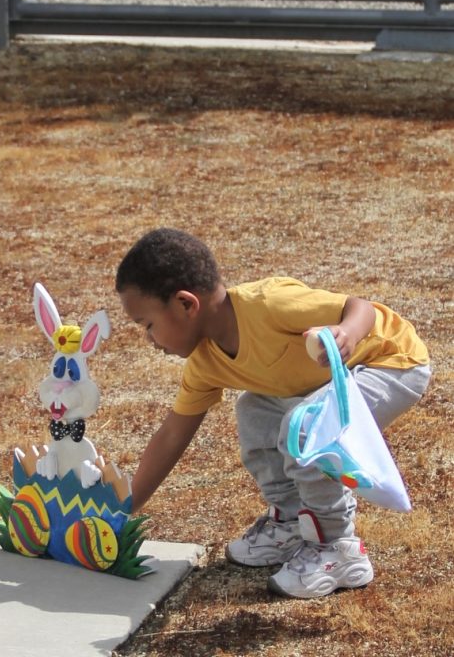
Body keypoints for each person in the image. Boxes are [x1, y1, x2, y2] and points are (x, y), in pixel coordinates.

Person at [115, 228, 431, 599]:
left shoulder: (269, 304)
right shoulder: (205, 363)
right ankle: (295, 521)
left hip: (389, 363)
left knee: (307, 429)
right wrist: (123, 509)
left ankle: (338, 549)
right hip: (327, 382)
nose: (149, 340)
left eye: (148, 325)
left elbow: (360, 307)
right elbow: (172, 435)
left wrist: (346, 332)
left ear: (186, 304)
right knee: (255, 410)